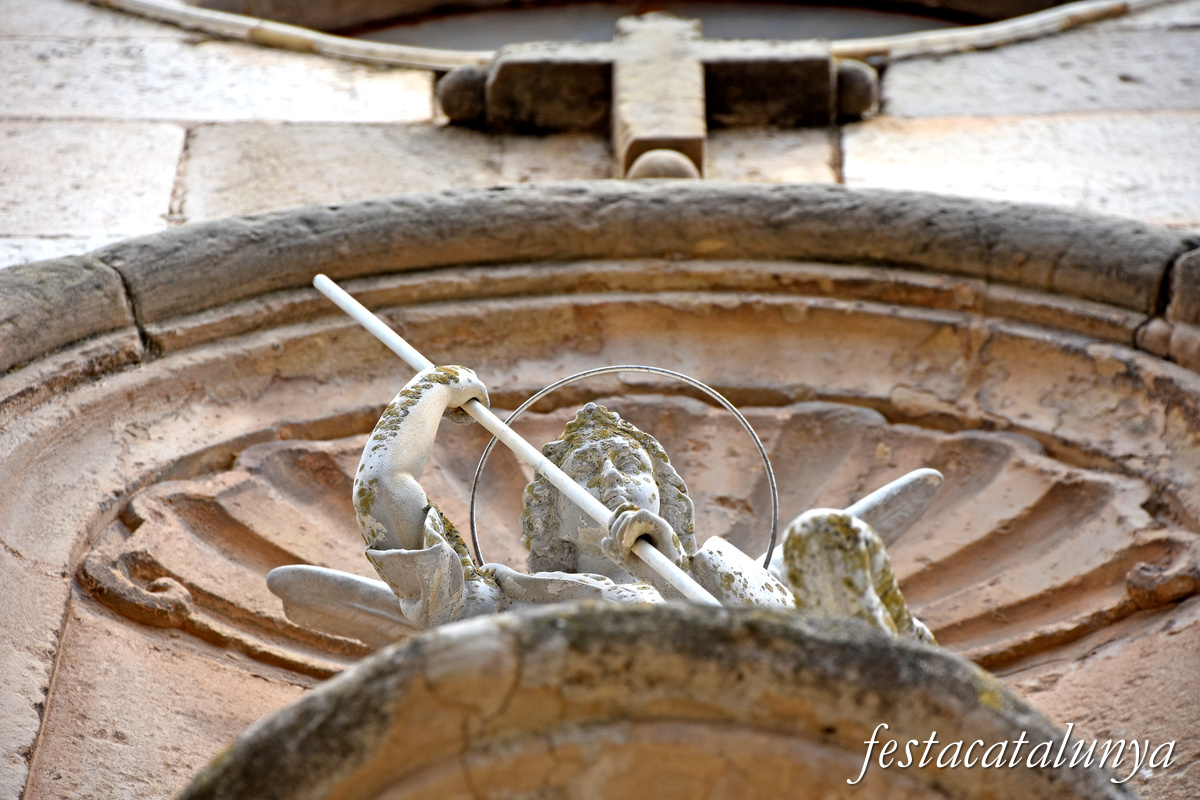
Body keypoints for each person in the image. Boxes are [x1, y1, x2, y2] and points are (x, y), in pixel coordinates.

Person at [268, 365, 936, 647]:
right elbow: (386, 496)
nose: (613, 478)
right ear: (552, 519)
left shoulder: (720, 569)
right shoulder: (506, 601)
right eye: (585, 473)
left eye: (631, 466)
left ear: (664, 499)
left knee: (825, 537)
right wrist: (430, 392)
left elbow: (793, 640)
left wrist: (681, 568)